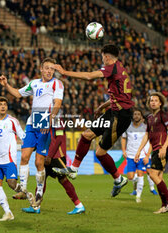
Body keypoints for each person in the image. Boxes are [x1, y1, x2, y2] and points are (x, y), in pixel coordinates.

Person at [51, 44, 132, 197]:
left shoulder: (112, 68)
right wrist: (103, 106)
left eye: (103, 57)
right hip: (113, 111)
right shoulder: (120, 67)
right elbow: (121, 96)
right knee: (86, 135)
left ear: (107, 57)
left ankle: (118, 179)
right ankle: (74, 169)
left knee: (100, 152)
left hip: (121, 116)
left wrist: (64, 72)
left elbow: (89, 76)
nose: (102, 60)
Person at [0, 57, 64, 210]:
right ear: (41, 69)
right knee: (25, 156)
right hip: (31, 122)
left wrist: (50, 120)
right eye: (46, 68)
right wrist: (6, 84)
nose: (49, 71)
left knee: (38, 162)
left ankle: (39, 193)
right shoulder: (34, 83)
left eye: (52, 69)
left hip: (45, 122)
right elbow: (17, 94)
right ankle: (22, 190)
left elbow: (57, 104)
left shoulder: (57, 84)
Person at [22, 119, 85, 214]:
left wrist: (50, 155)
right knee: (41, 179)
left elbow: (59, 139)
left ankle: (79, 205)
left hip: (56, 156)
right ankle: (35, 206)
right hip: (47, 154)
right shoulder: (45, 118)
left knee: (63, 180)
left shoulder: (58, 120)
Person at [135, 92, 168, 214]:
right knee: (157, 177)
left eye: (155, 100)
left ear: (160, 103)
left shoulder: (163, 115)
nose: (153, 102)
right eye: (151, 100)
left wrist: (163, 147)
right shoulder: (149, 117)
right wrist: (139, 151)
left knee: (152, 174)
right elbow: (147, 135)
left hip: (162, 149)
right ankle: (165, 205)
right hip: (155, 150)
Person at [121, 109, 158, 203]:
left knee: (141, 174)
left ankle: (138, 196)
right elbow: (123, 138)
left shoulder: (146, 128)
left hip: (141, 156)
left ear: (141, 117)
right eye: (135, 114)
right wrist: (124, 150)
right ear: (132, 116)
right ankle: (139, 182)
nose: (136, 116)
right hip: (130, 155)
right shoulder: (127, 127)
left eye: (138, 114)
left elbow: (151, 142)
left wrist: (147, 155)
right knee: (130, 177)